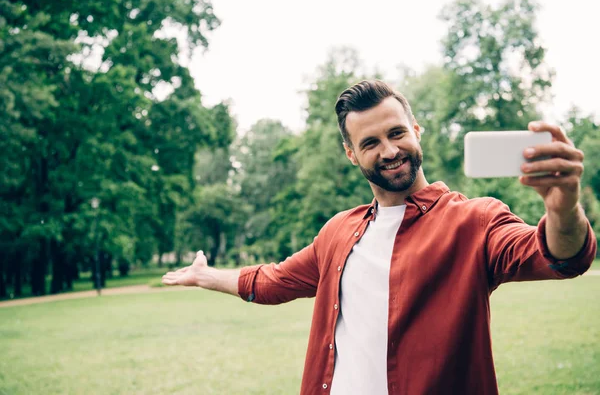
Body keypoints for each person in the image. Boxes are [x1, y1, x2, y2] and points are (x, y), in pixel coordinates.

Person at [162, 80, 596, 395]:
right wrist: (206, 276)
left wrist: (561, 206)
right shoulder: (338, 232)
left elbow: (558, 256)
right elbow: (273, 280)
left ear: (416, 131)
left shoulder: (475, 220)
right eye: (370, 142)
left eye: (396, 133)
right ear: (351, 154)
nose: (389, 151)